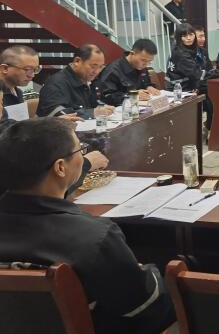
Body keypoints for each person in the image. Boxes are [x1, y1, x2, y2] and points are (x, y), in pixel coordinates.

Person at [0, 118, 176, 334]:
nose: (83, 157)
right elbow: (147, 309)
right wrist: (150, 272)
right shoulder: (94, 238)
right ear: (60, 167)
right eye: (80, 150)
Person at [166, 24, 219, 133]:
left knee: (216, 94)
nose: (188, 38)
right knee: (212, 97)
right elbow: (196, 74)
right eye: (184, 36)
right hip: (179, 90)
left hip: (192, 85)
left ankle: (212, 129)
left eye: (191, 35)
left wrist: (211, 75)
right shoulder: (179, 53)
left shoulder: (195, 50)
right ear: (179, 38)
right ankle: (210, 131)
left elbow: (206, 70)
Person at [36, 45, 114, 119]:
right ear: (77, 61)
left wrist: (102, 108)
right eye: (93, 66)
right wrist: (93, 113)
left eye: (100, 67)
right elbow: (58, 116)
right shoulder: (56, 83)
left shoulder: (85, 80)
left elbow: (91, 106)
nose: (96, 71)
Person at [95, 39, 160, 106]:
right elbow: (107, 96)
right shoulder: (113, 70)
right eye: (143, 60)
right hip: (121, 108)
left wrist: (149, 87)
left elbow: (146, 83)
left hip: (141, 105)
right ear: (132, 53)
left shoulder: (141, 67)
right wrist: (132, 95)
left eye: (149, 61)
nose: (146, 64)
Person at [0, 45, 39, 118]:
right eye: (27, 69)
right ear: (5, 68)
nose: (32, 75)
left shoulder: (17, 92)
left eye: (35, 69)